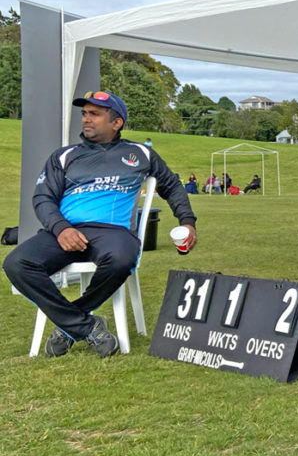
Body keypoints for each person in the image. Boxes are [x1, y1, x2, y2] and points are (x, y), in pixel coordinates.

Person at [3, 91, 197, 358]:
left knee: (121, 258)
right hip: (64, 231)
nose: (86, 119)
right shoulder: (64, 155)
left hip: (112, 233)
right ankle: (86, 326)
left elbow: (172, 186)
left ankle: (68, 325)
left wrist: (187, 222)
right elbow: (43, 197)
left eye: (95, 114)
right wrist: (61, 228)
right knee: (16, 264)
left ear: (116, 122)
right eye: (84, 113)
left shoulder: (140, 153)